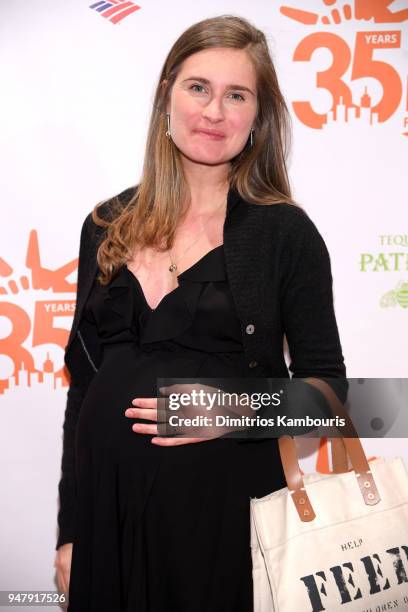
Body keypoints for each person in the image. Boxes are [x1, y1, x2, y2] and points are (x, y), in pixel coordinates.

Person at [54, 14, 347, 611]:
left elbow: (333, 395)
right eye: (198, 88)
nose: (214, 111)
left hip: (222, 522)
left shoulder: (283, 233)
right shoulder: (105, 224)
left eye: (236, 95)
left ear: (257, 119)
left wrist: (232, 408)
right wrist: (71, 531)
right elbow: (82, 391)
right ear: (167, 98)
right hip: (108, 522)